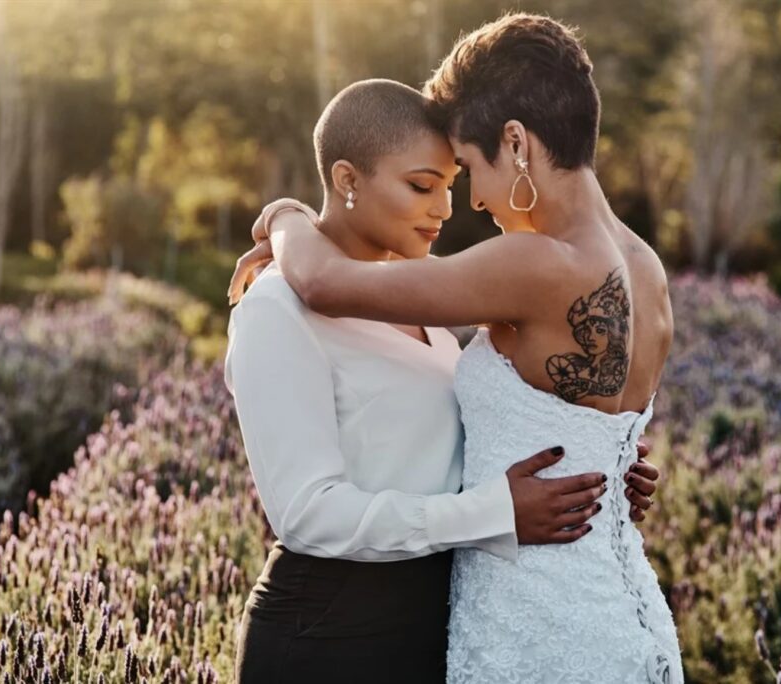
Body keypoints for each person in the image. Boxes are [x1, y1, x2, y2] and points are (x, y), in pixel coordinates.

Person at [230, 13, 683, 683]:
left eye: (465, 169)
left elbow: (325, 282)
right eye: (429, 183)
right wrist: (609, 470)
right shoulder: (647, 269)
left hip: (531, 618)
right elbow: (576, 420)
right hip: (619, 613)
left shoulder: (531, 264)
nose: (463, 201)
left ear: (516, 142)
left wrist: (287, 216)